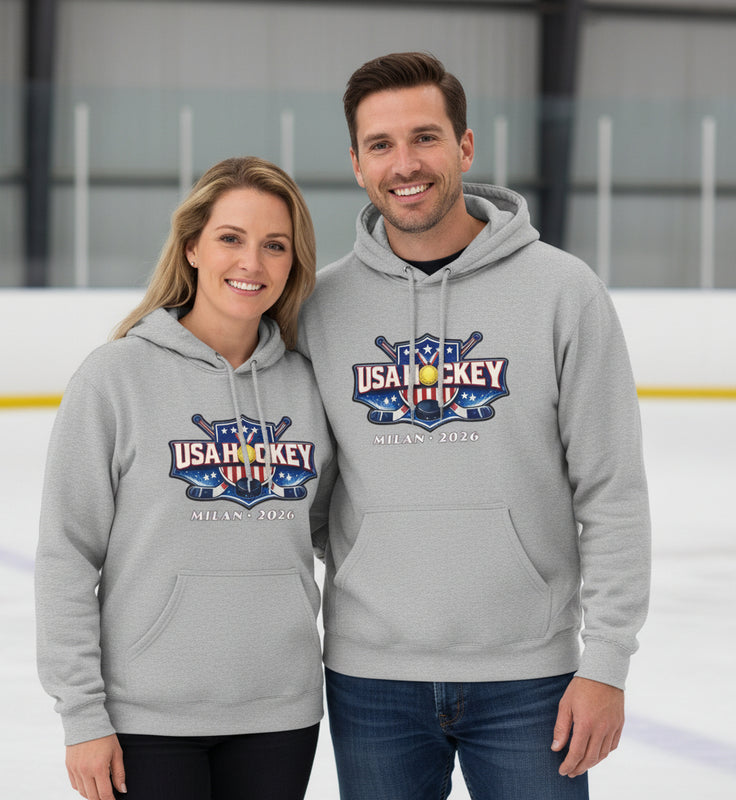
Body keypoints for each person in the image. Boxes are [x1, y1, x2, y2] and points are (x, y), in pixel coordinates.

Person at [297, 52, 650, 799]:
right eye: (381, 146)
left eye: (425, 138)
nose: (405, 164)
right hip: (371, 680)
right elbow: (311, 495)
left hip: (532, 680)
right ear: (357, 165)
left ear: (464, 147)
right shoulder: (321, 309)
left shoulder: (564, 292)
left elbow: (612, 492)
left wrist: (607, 664)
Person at [35, 156, 335, 800]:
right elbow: (67, 555)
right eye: (231, 238)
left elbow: (331, 528)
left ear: (292, 263)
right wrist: (82, 715)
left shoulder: (309, 387)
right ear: (193, 246)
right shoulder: (114, 378)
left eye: (274, 245)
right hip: (147, 716)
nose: (251, 262)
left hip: (279, 712)